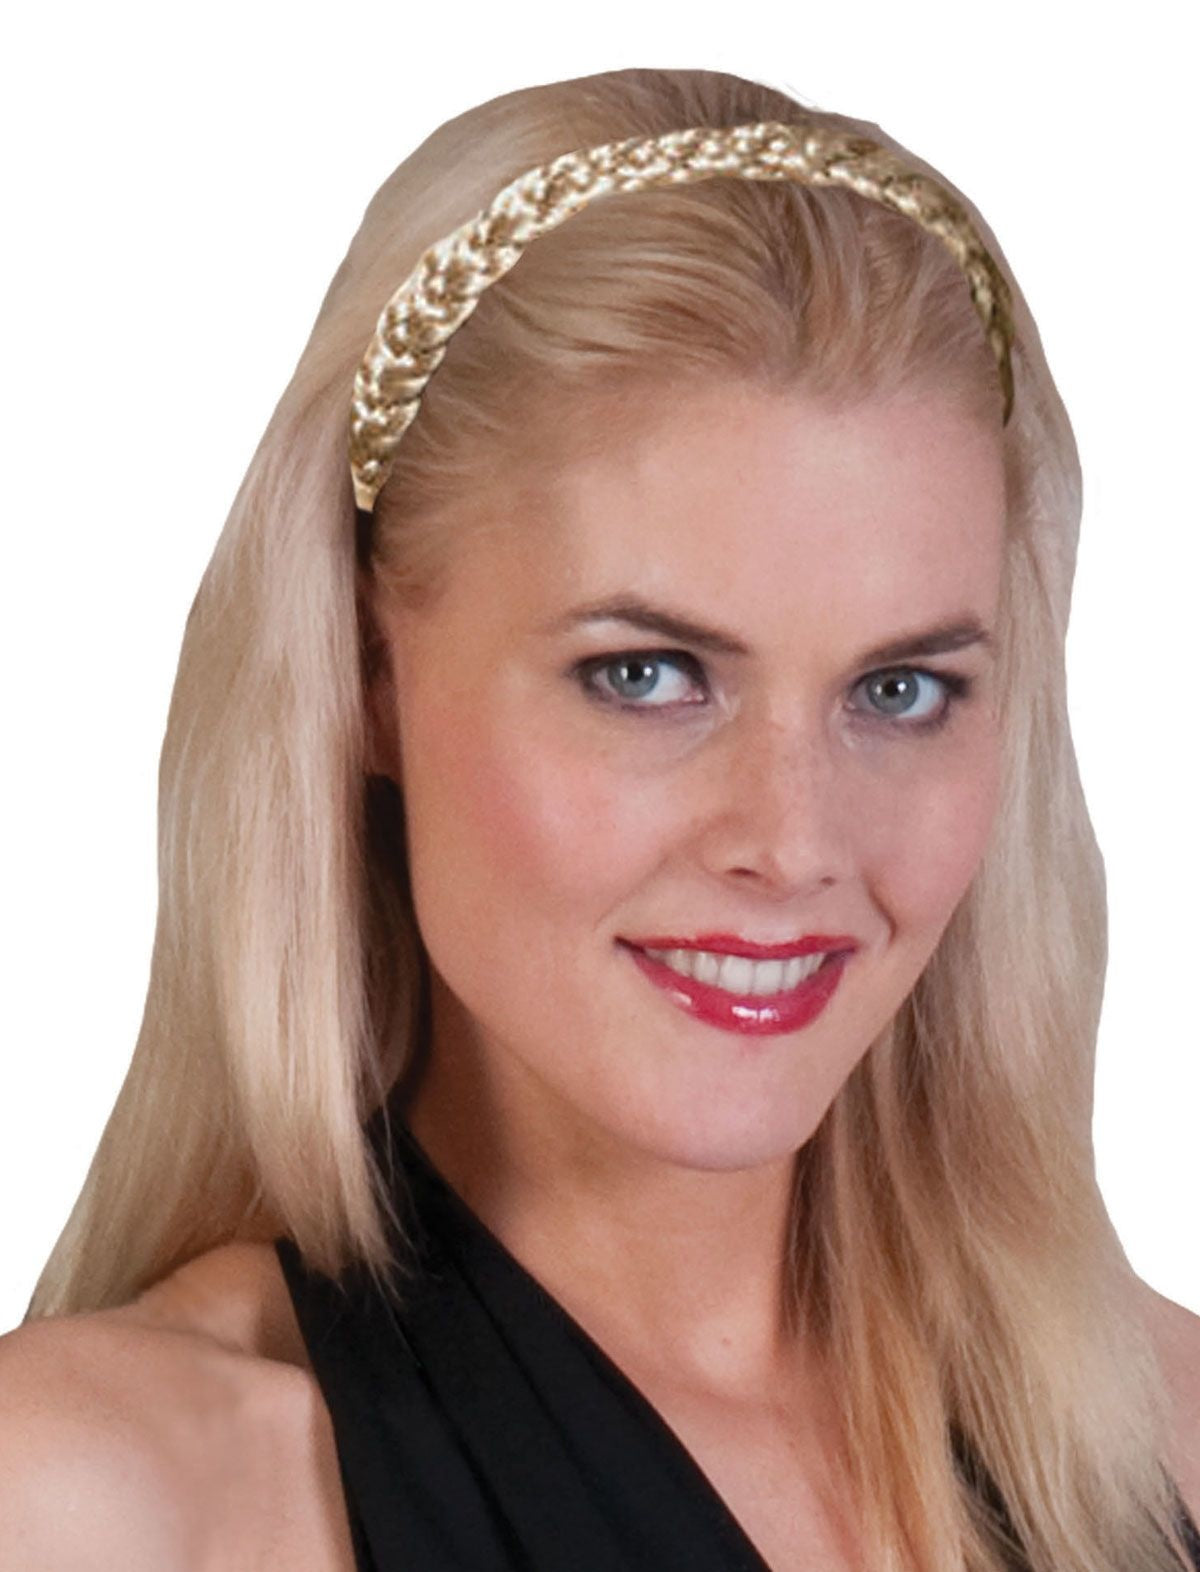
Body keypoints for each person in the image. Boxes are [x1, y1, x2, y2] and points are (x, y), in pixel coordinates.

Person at [1, 64, 1197, 1572]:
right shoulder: (103, 1501)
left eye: (899, 691)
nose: (793, 840)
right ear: (366, 675)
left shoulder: (1159, 1438)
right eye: (646, 675)